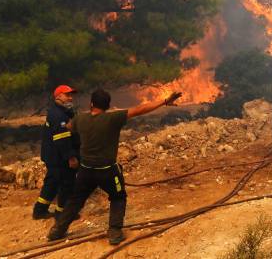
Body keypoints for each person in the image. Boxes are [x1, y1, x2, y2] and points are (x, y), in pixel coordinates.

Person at [47, 88, 182, 244]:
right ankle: (114, 231)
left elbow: (69, 127)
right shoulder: (113, 118)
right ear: (108, 106)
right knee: (118, 197)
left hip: (86, 171)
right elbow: (140, 110)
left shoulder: (80, 119)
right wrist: (165, 101)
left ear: (91, 104)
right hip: (107, 171)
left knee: (76, 199)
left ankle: (58, 230)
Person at [33, 85, 81, 219]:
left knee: (52, 182)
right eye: (67, 95)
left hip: (55, 156)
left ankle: (40, 210)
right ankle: (62, 213)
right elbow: (62, 139)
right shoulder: (58, 115)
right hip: (58, 157)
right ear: (58, 96)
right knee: (67, 182)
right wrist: (71, 157)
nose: (71, 97)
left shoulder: (63, 111)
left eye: (71, 95)